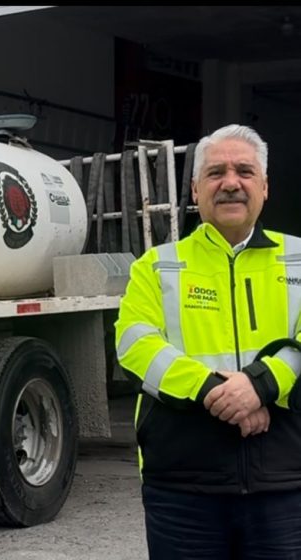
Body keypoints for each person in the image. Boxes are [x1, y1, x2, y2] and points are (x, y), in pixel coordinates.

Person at [115, 123, 301, 558]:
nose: (231, 183)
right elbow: (134, 343)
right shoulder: (158, 266)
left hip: (286, 484)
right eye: (216, 173)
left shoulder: (299, 259)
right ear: (196, 190)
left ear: (266, 187)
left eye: (244, 172)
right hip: (183, 488)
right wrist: (216, 392)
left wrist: (260, 384)